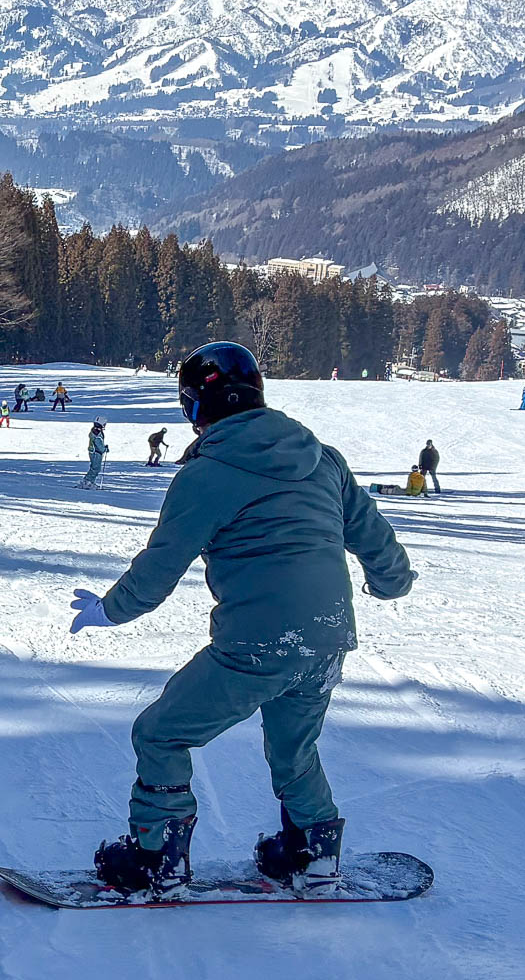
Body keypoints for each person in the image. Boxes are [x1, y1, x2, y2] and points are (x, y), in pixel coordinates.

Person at [68, 342, 416, 898]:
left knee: (160, 734)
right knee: (295, 750)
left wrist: (109, 611)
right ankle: (312, 854)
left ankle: (156, 859)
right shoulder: (324, 459)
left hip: (258, 644)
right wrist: (392, 582)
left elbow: (160, 568)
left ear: (192, 407)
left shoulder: (207, 475)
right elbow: (375, 538)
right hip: (327, 637)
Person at [80, 419, 108, 488]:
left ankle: (89, 481)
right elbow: (99, 445)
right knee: (96, 468)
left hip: (94, 452)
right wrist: (104, 449)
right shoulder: (97, 434)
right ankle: (88, 481)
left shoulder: (95, 431)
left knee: (94, 467)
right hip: (96, 453)